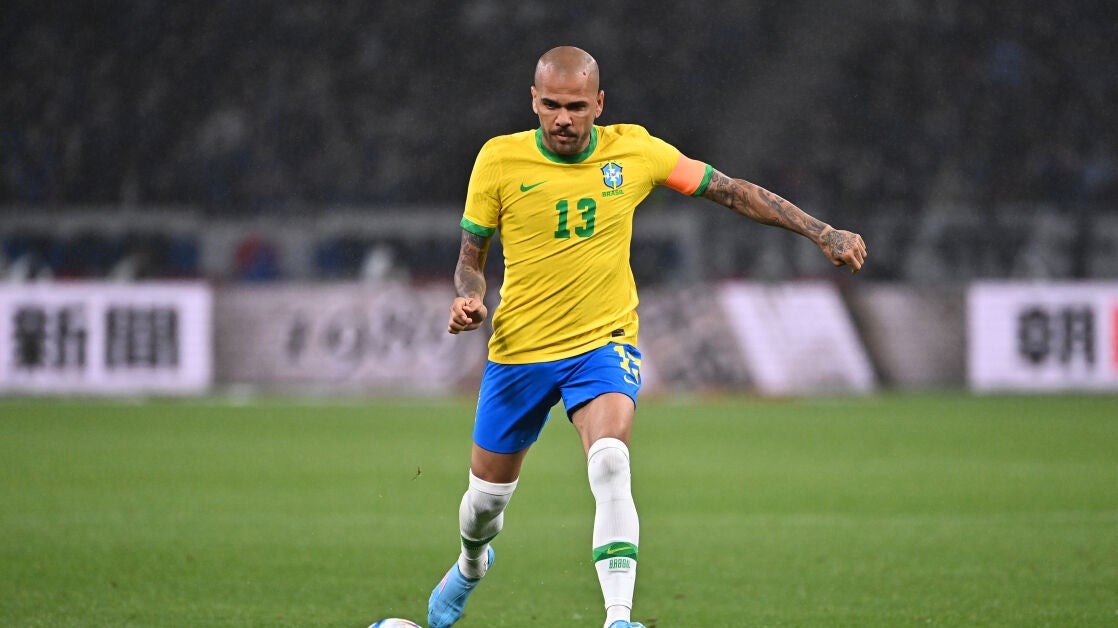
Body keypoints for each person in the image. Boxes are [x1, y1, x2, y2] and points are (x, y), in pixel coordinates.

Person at [428, 46, 867, 628]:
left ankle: (618, 617)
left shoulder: (636, 150)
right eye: (552, 105)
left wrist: (821, 231)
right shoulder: (498, 159)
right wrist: (469, 297)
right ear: (533, 100)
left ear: (599, 104)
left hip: (601, 344)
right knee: (484, 505)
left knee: (610, 462)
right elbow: (471, 258)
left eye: (576, 107)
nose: (563, 119)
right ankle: (471, 563)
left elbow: (729, 189)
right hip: (519, 352)